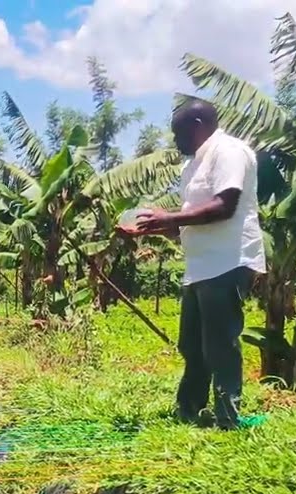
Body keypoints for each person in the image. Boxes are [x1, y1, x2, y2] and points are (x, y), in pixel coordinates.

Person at [118, 99, 266, 429]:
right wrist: (148, 228)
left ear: (197, 124)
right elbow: (190, 221)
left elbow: (224, 206)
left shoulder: (229, 151)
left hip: (228, 261)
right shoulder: (192, 167)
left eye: (177, 132)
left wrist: (168, 217)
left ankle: (229, 417)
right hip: (200, 266)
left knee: (219, 344)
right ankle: (190, 411)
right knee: (191, 344)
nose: (174, 140)